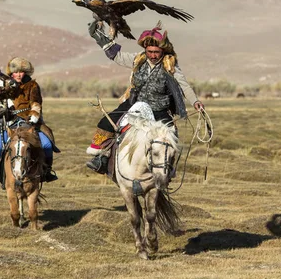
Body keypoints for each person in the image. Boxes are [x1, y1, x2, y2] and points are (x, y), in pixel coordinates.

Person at [85, 15, 204, 173]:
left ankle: (169, 167)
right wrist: (100, 38)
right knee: (105, 124)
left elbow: (184, 85)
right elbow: (117, 56)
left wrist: (195, 102)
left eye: (157, 52)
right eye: (150, 51)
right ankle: (102, 158)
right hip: (134, 103)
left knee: (170, 135)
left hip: (159, 108)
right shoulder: (137, 59)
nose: (153, 55)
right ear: (145, 50)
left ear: (163, 50)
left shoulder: (170, 65)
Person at [0, 57, 59, 183]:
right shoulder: (3, 86)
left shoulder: (33, 86)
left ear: (25, 72)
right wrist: (1, 111)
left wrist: (34, 115)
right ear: (11, 73)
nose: (19, 75)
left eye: (21, 72)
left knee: (46, 145)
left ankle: (47, 172)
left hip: (30, 124)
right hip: (10, 125)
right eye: (16, 72)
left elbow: (36, 102)